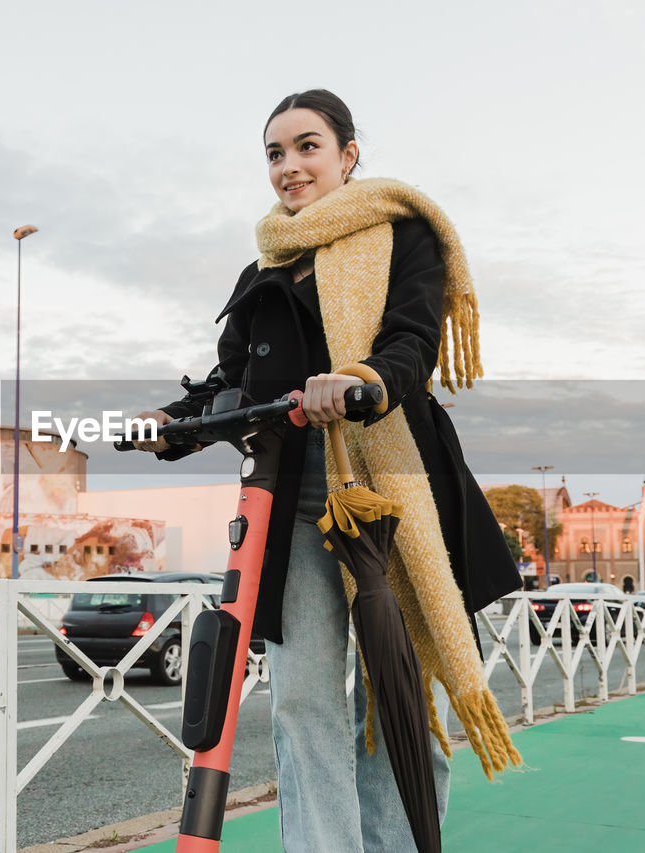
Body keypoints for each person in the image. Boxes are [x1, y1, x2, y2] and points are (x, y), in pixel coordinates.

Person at [132, 89, 521, 852]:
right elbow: (232, 382)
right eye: (275, 153)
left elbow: (412, 342)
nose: (290, 166)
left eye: (307, 147)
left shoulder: (404, 235)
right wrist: (170, 428)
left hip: (392, 483)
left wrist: (364, 379)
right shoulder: (262, 270)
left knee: (393, 694)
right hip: (291, 492)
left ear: (347, 155)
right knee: (301, 700)